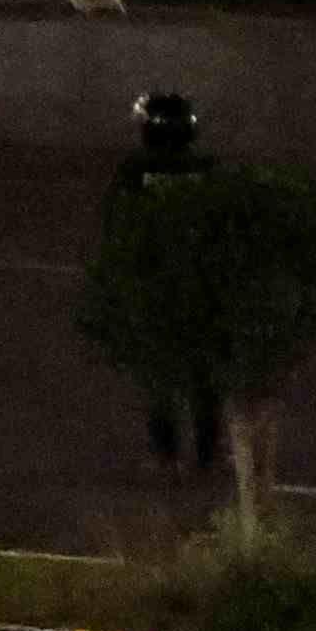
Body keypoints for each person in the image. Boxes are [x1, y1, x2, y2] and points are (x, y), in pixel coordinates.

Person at [109, 89, 217, 468]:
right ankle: (206, 452)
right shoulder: (208, 170)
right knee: (204, 376)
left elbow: (118, 228)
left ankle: (166, 455)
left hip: (155, 284)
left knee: (159, 373)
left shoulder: (134, 172)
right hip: (203, 286)